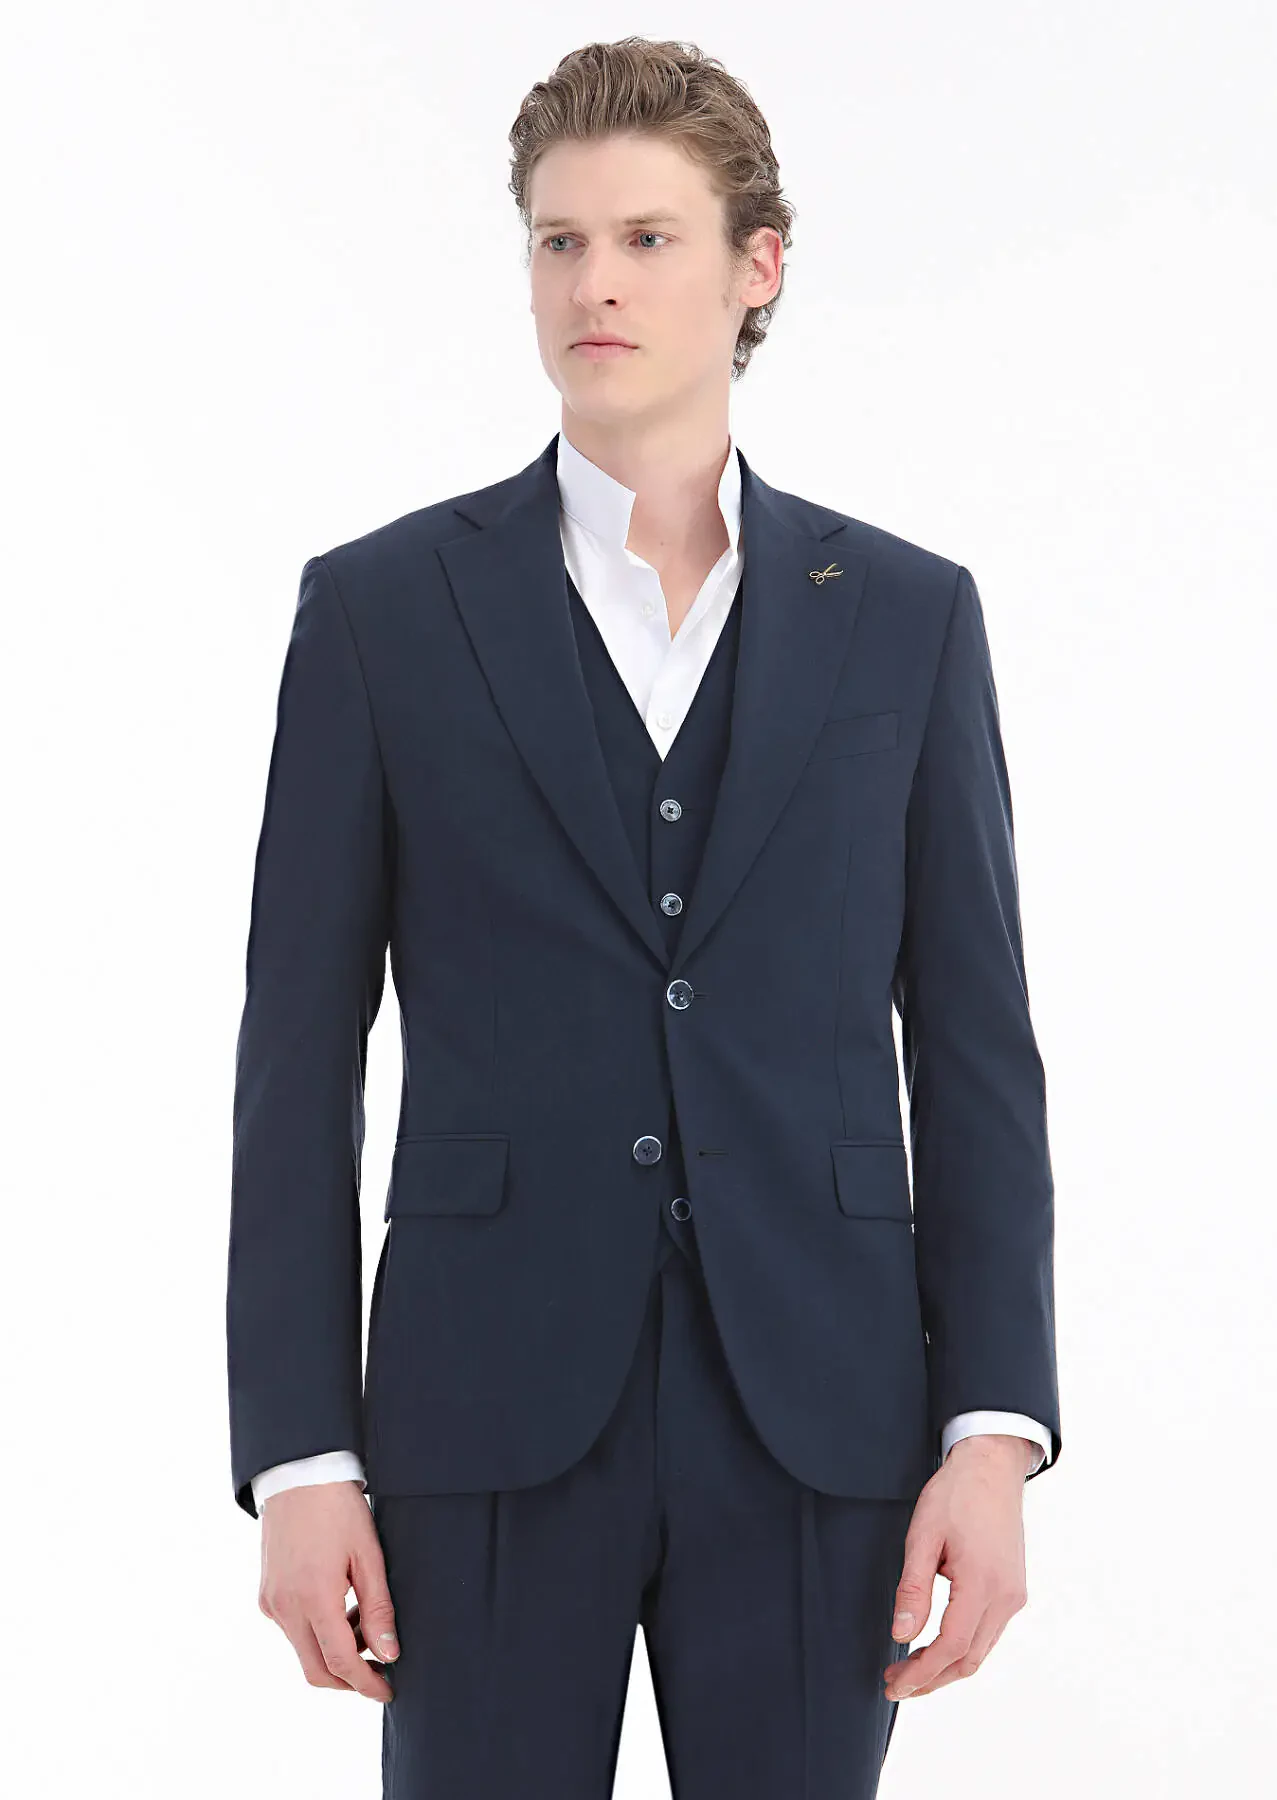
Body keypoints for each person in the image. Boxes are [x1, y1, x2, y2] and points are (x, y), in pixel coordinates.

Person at [226, 35, 1061, 1798]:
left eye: (647, 239)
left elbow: (978, 1046)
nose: (593, 283)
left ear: (759, 267)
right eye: (560, 241)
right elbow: (295, 1057)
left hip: (822, 1418)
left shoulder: (907, 618)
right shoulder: (381, 612)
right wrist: (300, 1456)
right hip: (479, 1416)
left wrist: (991, 1433)